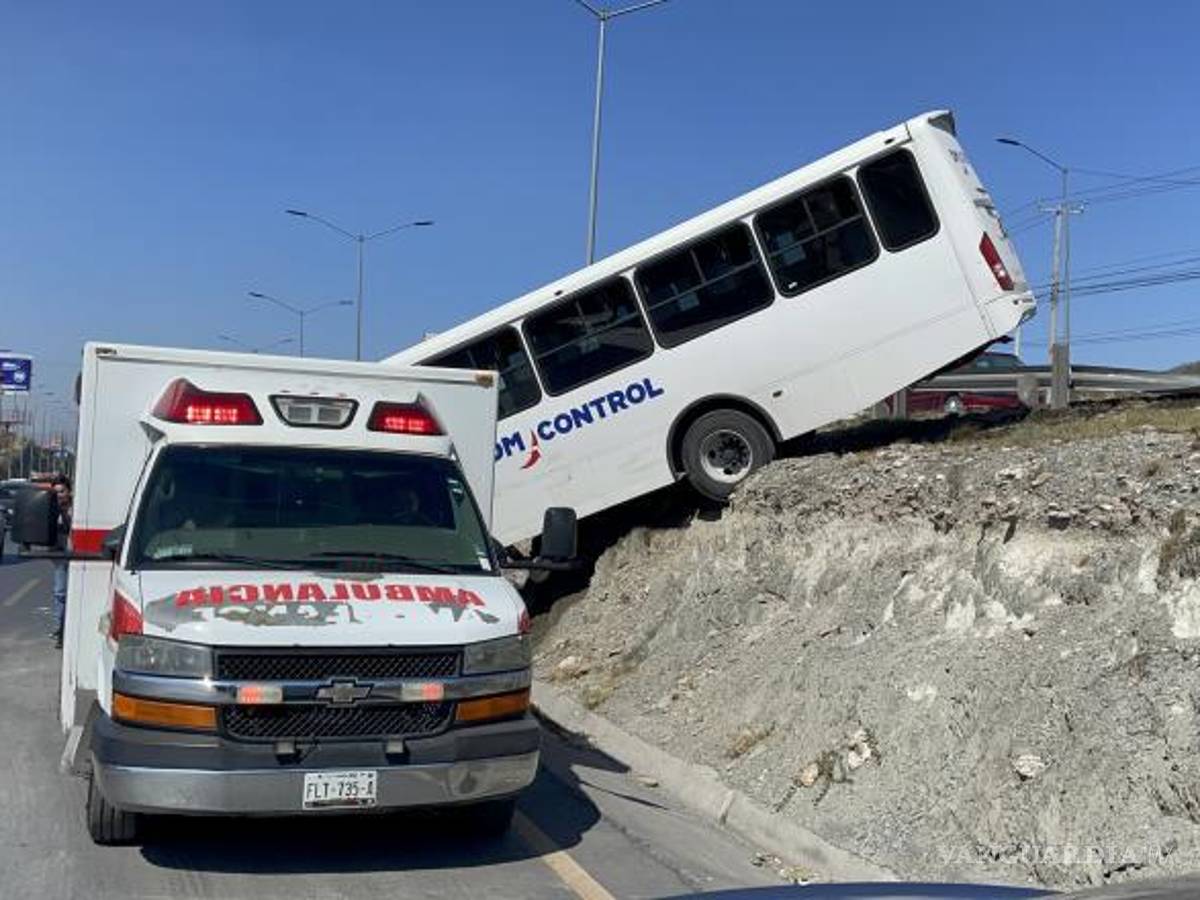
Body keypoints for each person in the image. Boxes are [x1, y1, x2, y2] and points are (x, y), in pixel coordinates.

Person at [50, 475, 72, 649]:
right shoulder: (50, 508)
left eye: (62, 491)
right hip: (59, 555)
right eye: (55, 492)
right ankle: (59, 629)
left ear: (69, 492)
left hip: (77, 553)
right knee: (60, 593)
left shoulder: (76, 509)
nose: (59, 496)